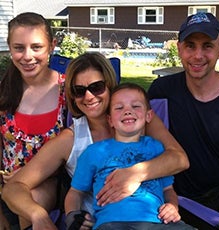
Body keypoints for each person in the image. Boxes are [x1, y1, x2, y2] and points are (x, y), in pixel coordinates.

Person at [2, 52, 189, 230]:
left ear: (109, 85)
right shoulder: (71, 139)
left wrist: (134, 174)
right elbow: (14, 187)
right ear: (73, 97)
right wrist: (39, 215)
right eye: (79, 91)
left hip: (153, 219)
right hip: (106, 223)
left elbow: (179, 159)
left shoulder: (137, 119)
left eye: (96, 87)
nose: (89, 96)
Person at [64, 82, 194, 230]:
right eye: (119, 108)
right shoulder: (94, 152)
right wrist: (72, 214)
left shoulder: (157, 148)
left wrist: (172, 205)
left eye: (136, 106)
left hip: (158, 222)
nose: (127, 111)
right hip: (112, 224)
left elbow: (167, 189)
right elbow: (75, 192)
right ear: (110, 120)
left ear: (148, 115)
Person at [147, 12, 219, 229]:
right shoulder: (161, 91)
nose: (198, 55)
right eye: (190, 45)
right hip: (173, 204)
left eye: (207, 46)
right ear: (179, 49)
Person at [0, 12, 66, 229]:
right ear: (10, 48)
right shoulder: (4, 92)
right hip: (7, 186)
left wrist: (30, 174)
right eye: (19, 48)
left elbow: (82, 146)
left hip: (52, 183)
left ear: (52, 46)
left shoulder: (68, 91)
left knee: (32, 199)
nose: (27, 56)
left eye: (36, 47)